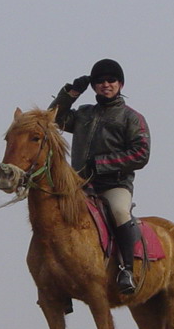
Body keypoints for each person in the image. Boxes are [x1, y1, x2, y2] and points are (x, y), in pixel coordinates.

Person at [49, 58, 151, 294]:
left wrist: (102, 163)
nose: (106, 84)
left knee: (119, 212)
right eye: (100, 81)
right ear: (93, 86)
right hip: (81, 186)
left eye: (111, 80)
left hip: (114, 185)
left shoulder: (132, 118)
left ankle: (127, 269)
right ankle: (55, 277)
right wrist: (71, 93)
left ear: (120, 84)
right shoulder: (84, 114)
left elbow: (141, 154)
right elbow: (53, 118)